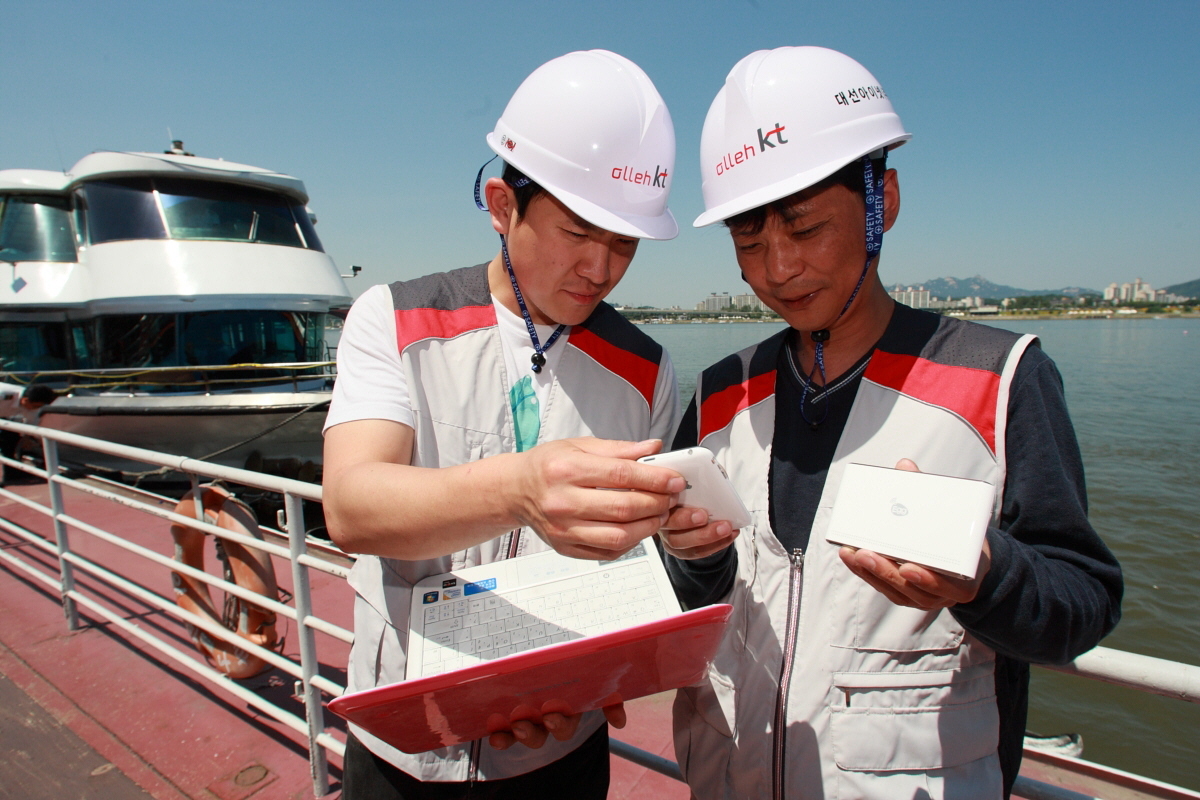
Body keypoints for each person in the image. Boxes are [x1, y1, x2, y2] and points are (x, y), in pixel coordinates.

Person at [659, 46, 1123, 799]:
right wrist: (693, 560)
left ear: (885, 203)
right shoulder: (719, 394)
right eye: (748, 240)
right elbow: (685, 597)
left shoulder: (1000, 380)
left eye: (806, 229)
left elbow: (1084, 602)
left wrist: (984, 575)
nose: (778, 268)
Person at [322, 50, 684, 799]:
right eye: (579, 231)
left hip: (561, 747)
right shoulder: (394, 320)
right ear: (501, 204)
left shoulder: (647, 370)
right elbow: (352, 507)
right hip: (405, 746)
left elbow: (635, 569)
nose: (602, 267)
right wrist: (522, 487)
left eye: (625, 242)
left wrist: (601, 671)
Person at [1, 383, 56, 484]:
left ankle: (11, 474)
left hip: (4, 416)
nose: (35, 409)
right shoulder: (3, 394)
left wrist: (26, 438)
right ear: (25, 400)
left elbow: (30, 423)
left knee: (10, 440)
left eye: (39, 406)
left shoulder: (32, 406)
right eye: (35, 406)